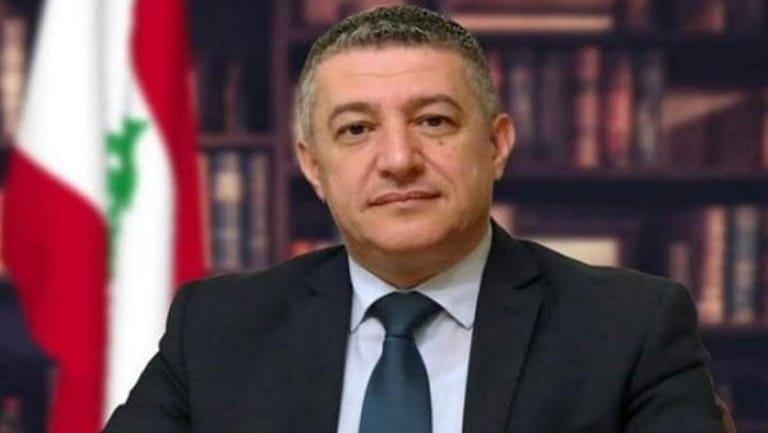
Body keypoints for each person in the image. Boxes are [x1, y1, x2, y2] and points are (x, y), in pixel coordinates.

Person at [104, 5, 726, 433]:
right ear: (314, 166)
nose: (399, 160)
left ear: (496, 145)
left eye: (433, 121)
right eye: (356, 129)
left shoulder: (630, 327)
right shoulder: (218, 327)